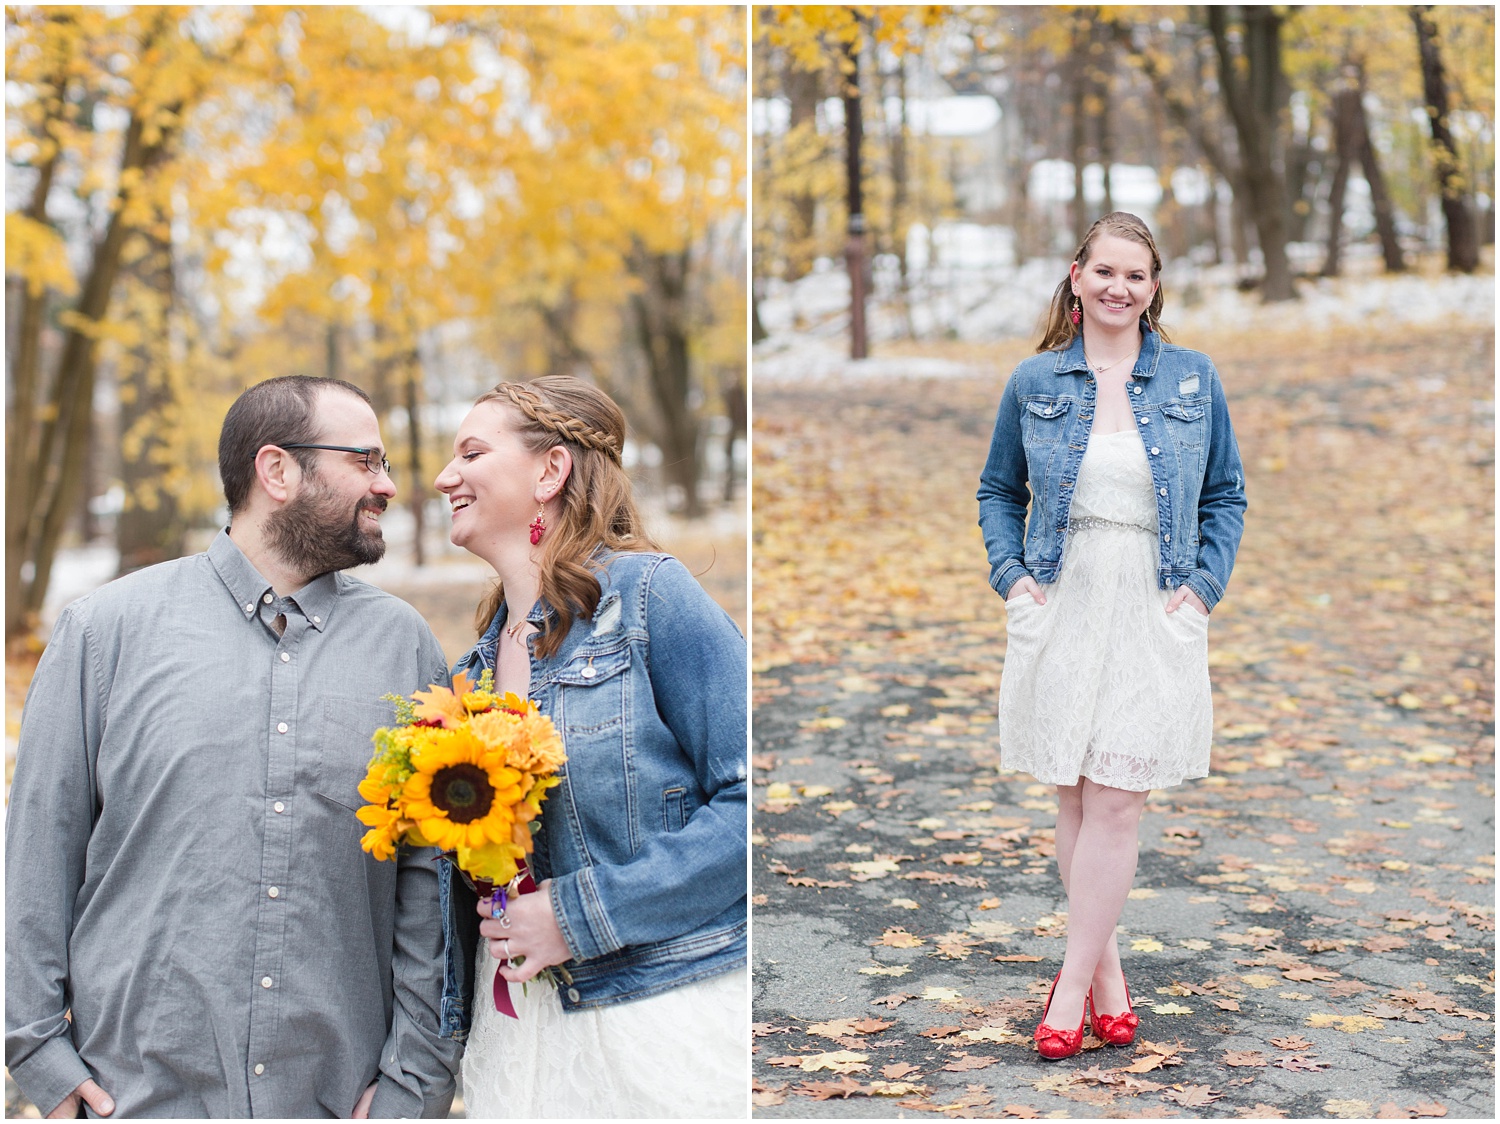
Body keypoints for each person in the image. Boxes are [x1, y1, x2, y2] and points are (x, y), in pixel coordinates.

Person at [5, 376, 461, 1117]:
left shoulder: (402, 646)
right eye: (366, 460)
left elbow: (426, 881)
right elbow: (37, 851)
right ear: (276, 471)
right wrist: (37, 1053)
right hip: (135, 1097)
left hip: (337, 1101)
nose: (388, 485)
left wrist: (417, 1078)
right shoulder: (102, 633)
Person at [433, 376, 747, 1118]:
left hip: (657, 1016)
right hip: (517, 1039)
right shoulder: (467, 676)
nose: (445, 476)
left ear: (550, 471)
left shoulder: (647, 599)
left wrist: (574, 915)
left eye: (471, 453)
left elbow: (749, 806)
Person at [977, 213, 1247, 1060]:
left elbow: (1226, 496)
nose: (1119, 288)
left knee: (1119, 798)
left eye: (1136, 275)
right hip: (1063, 597)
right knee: (1075, 792)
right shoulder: (1034, 381)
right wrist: (1015, 580)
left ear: (1154, 286)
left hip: (1155, 602)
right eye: (1105, 272)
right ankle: (1108, 981)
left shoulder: (1193, 380)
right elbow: (996, 490)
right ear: (1076, 275)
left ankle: (1066, 991)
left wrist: (1203, 590)